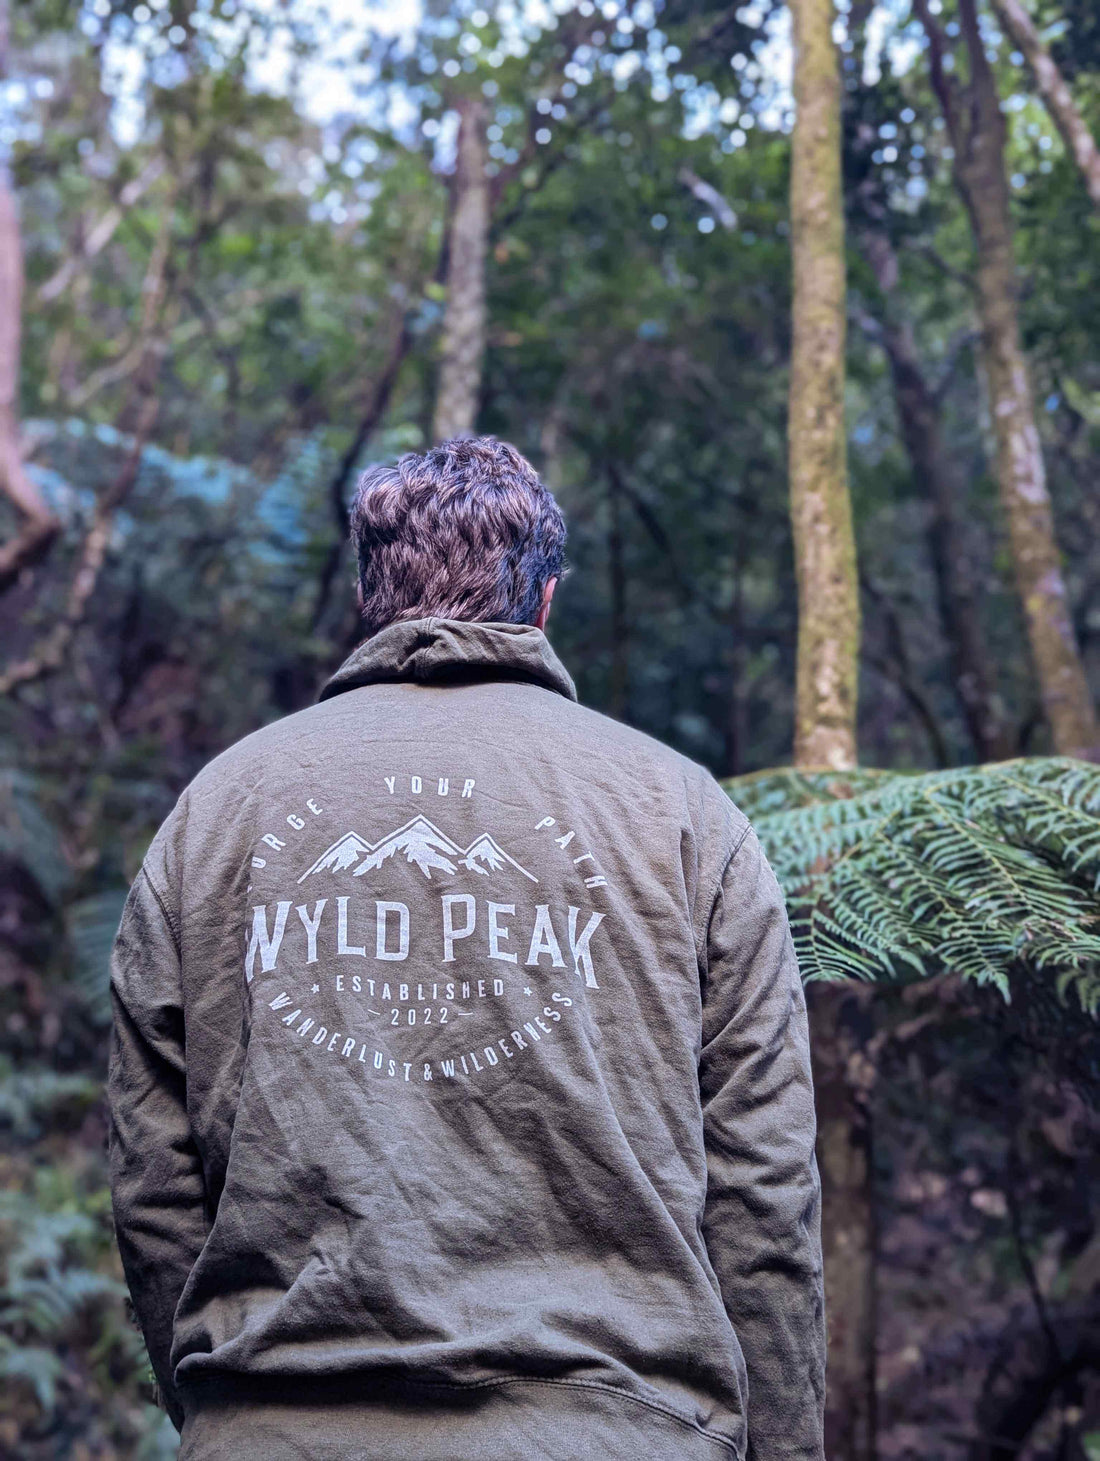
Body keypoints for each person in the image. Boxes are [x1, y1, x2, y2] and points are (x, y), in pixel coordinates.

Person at [108, 435, 825, 1461]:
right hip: (611, 1434)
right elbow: (764, 1189)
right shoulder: (681, 814)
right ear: (543, 601)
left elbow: (152, 1183)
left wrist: (228, 1412)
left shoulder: (215, 811)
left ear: (371, 595)